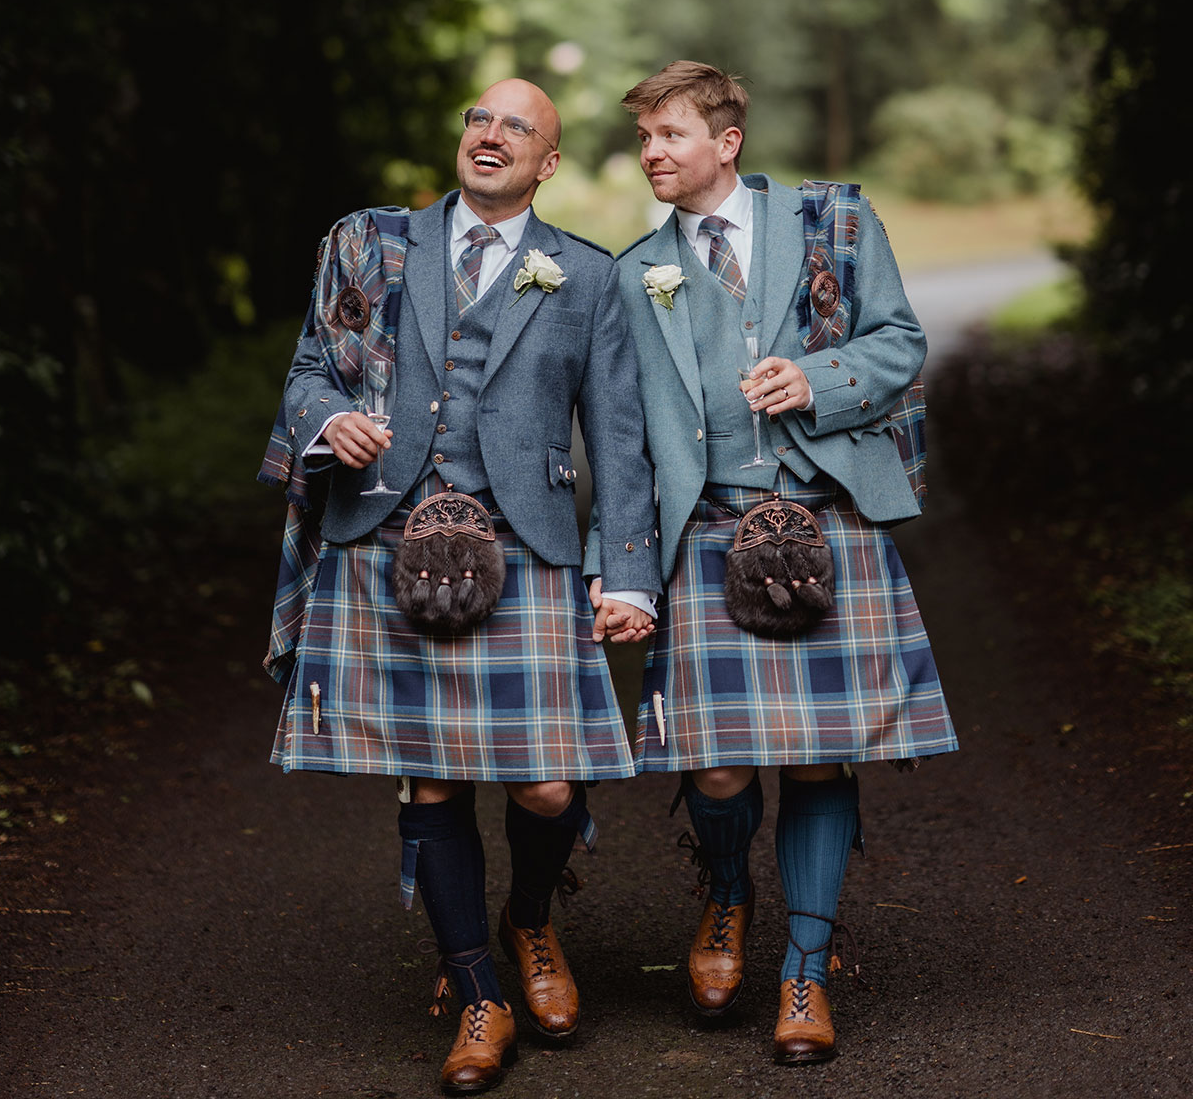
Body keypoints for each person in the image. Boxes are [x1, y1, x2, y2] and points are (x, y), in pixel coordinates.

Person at [269, 79, 659, 1097]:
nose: (490, 136)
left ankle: (529, 916)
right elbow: (311, 367)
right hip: (389, 536)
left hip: (523, 546)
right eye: (479, 120)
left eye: (516, 127)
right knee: (433, 775)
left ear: (550, 164)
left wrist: (629, 574)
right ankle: (479, 987)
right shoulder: (372, 243)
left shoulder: (585, 276)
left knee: (546, 784)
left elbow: (619, 436)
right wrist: (329, 424)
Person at [614, 61, 957, 1066]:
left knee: (818, 752)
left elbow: (900, 342)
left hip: (827, 518)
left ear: (727, 142)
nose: (652, 155)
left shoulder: (836, 227)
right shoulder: (638, 271)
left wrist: (817, 376)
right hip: (709, 528)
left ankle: (805, 968)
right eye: (643, 140)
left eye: (670, 135)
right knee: (715, 767)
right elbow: (626, 440)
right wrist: (621, 565)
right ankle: (727, 896)